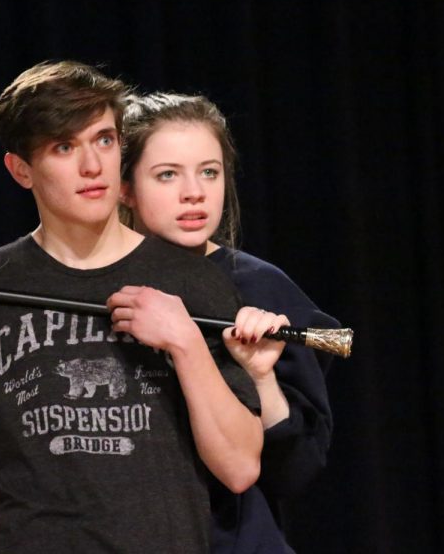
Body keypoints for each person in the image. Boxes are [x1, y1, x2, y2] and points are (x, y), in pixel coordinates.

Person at [0, 61, 264, 553]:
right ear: (20, 169)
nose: (93, 166)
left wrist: (185, 341)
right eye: (65, 147)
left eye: (104, 140)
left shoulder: (192, 280)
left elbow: (239, 468)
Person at [119, 92, 341, 553]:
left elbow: (293, 473)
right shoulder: (86, 287)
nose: (194, 193)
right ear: (125, 187)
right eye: (167, 175)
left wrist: (262, 380)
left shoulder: (263, 289)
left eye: (209, 172)